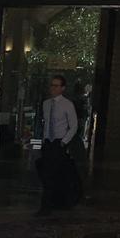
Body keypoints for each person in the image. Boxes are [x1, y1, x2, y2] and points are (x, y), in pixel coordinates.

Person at [35, 74, 79, 216]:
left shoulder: (67, 105)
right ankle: (47, 204)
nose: (53, 88)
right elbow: (46, 123)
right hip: (48, 142)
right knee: (46, 173)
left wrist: (64, 141)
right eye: (52, 85)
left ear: (62, 88)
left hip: (59, 142)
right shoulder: (46, 104)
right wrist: (44, 140)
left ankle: (53, 204)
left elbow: (74, 126)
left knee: (56, 174)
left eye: (56, 85)